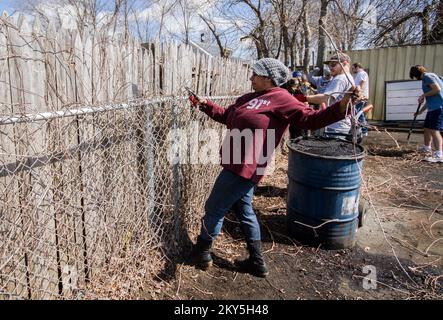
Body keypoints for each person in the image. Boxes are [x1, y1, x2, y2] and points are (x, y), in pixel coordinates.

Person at [187, 58, 357, 278]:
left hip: (246, 165)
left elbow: (311, 119)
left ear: (268, 78)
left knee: (214, 208)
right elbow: (227, 116)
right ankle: (257, 262)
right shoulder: (248, 98)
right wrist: (204, 104)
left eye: (255, 74)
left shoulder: (282, 98)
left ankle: (201, 253)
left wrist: (341, 105)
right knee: (243, 210)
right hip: (235, 161)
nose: (251, 78)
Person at [305, 53, 356, 139]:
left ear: (345, 63)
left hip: (334, 126)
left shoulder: (340, 78)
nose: (330, 68)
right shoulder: (349, 77)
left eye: (333, 65)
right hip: (340, 124)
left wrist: (303, 98)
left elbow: (325, 98)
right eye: (329, 66)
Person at [409, 65, 443, 163]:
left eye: (415, 76)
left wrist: (423, 95)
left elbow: (437, 90)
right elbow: (431, 99)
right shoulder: (430, 77)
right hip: (432, 108)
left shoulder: (427, 77)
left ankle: (439, 154)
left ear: (417, 74)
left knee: (434, 130)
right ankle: (426, 147)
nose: (416, 79)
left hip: (438, 108)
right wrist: (420, 111)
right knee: (427, 128)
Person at [351, 63, 370, 136]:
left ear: (357, 67)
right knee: (359, 114)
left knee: (359, 114)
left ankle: (364, 131)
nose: (352, 70)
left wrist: (359, 96)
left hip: (361, 97)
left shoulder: (362, 73)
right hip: (359, 97)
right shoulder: (359, 74)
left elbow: (361, 84)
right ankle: (362, 130)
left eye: (353, 68)